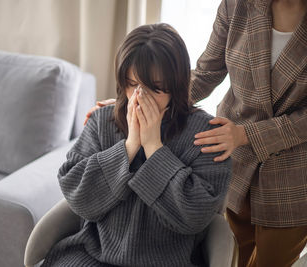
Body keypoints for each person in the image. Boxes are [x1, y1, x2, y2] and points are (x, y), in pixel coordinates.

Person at [86, 0, 307, 266]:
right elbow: (205, 73)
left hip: (294, 172)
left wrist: (246, 134)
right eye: (131, 84)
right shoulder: (238, 5)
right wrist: (138, 100)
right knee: (233, 253)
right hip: (233, 156)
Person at [41, 23, 231, 267]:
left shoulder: (206, 134)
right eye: (132, 84)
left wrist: (154, 148)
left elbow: (195, 216)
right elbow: (78, 198)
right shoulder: (102, 121)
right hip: (91, 255)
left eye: (155, 88)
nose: (141, 97)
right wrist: (129, 147)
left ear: (176, 85)